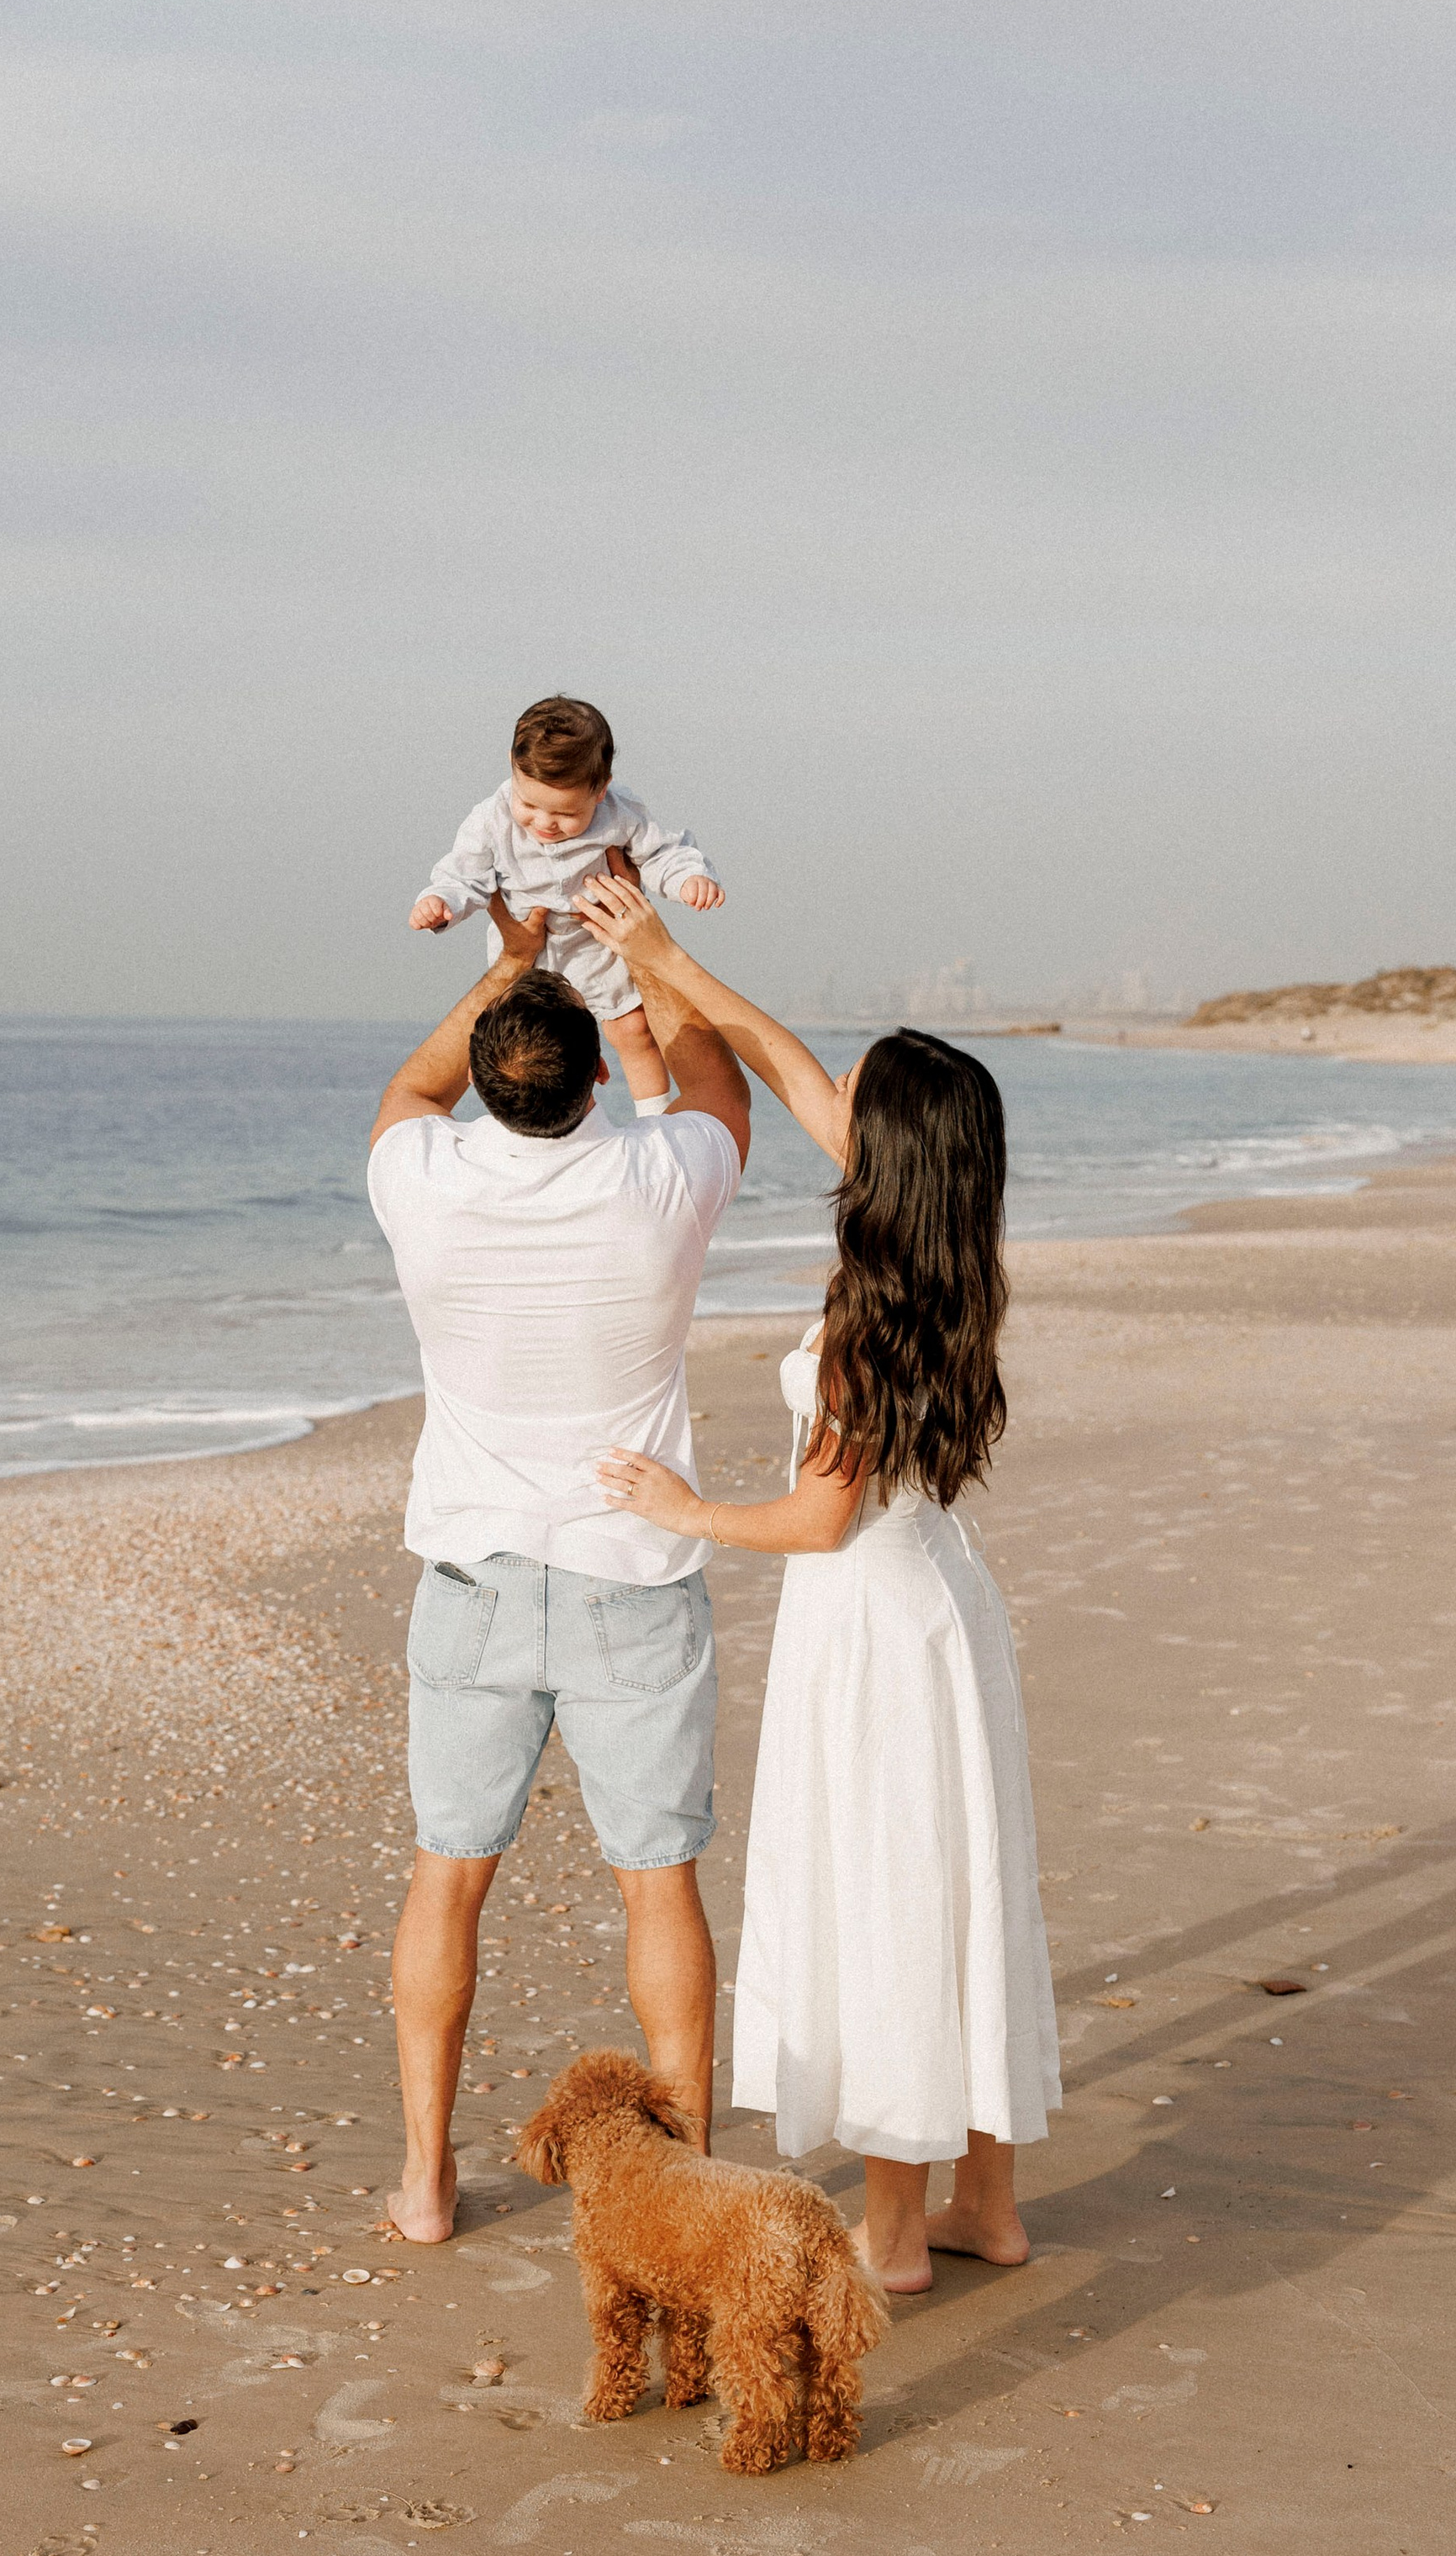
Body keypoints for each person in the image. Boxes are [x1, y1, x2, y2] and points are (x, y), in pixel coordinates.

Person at [573, 868, 1061, 2290]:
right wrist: (663, 953)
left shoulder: (867, 1320)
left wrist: (685, 1507)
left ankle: (897, 2237)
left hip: (874, 1627)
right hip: (945, 1611)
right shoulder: (951, 1253)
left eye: (861, 1087)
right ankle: (993, 2207)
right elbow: (785, 1057)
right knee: (962, 1888)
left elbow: (815, 1523)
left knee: (898, 1901)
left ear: (886, 1152)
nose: (829, 1086)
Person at [367, 887, 752, 2243]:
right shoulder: (660, 1180)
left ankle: (425, 2177)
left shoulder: (419, 1175)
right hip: (629, 1571)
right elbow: (716, 1089)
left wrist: (512, 964)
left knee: (448, 1873)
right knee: (659, 1882)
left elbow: (410, 1087)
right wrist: (646, 957)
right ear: (596, 1077)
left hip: (472, 1573)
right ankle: (693, 2172)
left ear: (485, 1075)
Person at [410, 693, 725, 1114]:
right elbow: (464, 875)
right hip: (527, 954)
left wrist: (688, 879)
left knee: (634, 1031)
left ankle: (653, 1120)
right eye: (529, 804)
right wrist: (440, 902)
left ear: (600, 789)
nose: (544, 823)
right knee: (515, 1049)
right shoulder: (490, 820)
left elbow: (660, 853)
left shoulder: (621, 812)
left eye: (564, 814)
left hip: (598, 944)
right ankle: (512, 1122)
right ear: (512, 767)